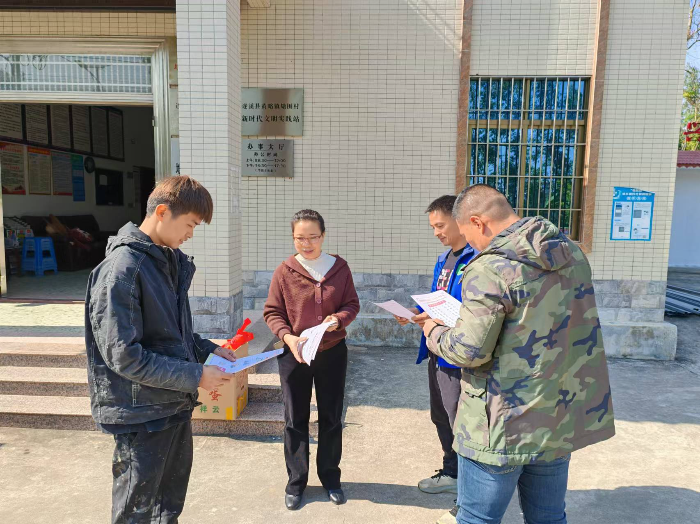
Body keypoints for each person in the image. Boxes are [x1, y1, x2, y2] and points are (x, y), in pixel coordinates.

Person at [423, 184, 615, 524]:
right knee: (549, 517)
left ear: (478, 222)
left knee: (476, 518)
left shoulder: (490, 267)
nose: (471, 244)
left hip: (501, 424)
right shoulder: (571, 254)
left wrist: (433, 332)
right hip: (556, 416)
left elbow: (469, 351)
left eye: (468, 235)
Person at [85, 175, 238, 523]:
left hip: (172, 405)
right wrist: (196, 375)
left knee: (167, 507)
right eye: (190, 224)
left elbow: (170, 332)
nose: (191, 234)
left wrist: (207, 350)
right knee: (136, 512)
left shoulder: (167, 260)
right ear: (163, 212)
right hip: (141, 414)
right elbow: (125, 356)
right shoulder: (123, 269)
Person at [264, 209, 360, 511]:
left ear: (323, 236)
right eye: (300, 238)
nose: (306, 244)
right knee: (295, 419)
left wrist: (338, 319)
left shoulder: (339, 268)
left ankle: (331, 478)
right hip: (295, 355)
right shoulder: (285, 271)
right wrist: (287, 337)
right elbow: (272, 312)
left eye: (313, 237)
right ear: (293, 238)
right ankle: (296, 482)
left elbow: (352, 304)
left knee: (331, 417)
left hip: (332, 352)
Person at [393, 195, 475, 508]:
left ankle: (470, 488)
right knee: (440, 416)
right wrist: (414, 313)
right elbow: (436, 298)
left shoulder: (477, 259)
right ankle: (452, 472)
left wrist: (436, 316)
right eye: (433, 227)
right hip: (435, 349)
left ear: (458, 220)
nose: (437, 232)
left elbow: (473, 310)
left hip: (459, 355)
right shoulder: (444, 259)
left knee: (461, 422)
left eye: (440, 225)